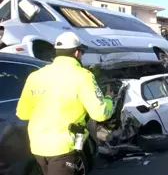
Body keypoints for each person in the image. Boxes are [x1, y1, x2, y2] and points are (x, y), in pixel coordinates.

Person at [16, 32, 114, 175]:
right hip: (65, 147)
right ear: (76, 53)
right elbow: (100, 114)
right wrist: (109, 99)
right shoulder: (82, 75)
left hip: (38, 147)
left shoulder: (35, 76)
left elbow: (22, 113)